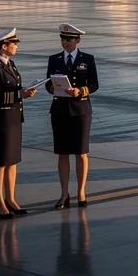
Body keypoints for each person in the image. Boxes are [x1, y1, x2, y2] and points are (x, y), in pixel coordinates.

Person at [45, 23, 99, 209]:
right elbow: (48, 83)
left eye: (68, 39)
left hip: (80, 110)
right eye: (62, 39)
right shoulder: (54, 59)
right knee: (62, 153)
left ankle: (81, 191)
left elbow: (94, 85)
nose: (64, 42)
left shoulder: (87, 59)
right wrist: (53, 87)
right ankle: (64, 194)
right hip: (60, 110)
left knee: (81, 153)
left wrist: (80, 91)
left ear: (78, 40)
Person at [0, 29, 35, 219]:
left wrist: (25, 92)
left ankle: (11, 199)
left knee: (12, 161)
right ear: (4, 46)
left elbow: (15, 89)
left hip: (14, 118)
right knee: (1, 162)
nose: (17, 47)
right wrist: (18, 95)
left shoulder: (10, 64)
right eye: (14, 44)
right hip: (2, 120)